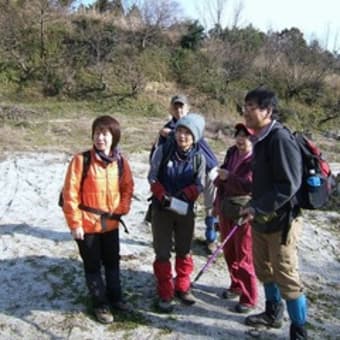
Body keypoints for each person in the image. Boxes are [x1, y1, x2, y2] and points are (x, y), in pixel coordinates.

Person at [240, 87, 308, 339]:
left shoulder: (279, 139)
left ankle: (299, 330)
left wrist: (257, 206)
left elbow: (289, 184)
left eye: (251, 107)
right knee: (264, 268)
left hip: (282, 222)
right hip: (261, 219)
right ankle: (272, 312)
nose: (246, 112)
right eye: (244, 107)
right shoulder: (260, 138)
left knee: (287, 276)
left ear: (267, 111)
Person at [62, 115, 134, 324]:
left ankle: (116, 297)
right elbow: (70, 194)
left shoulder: (120, 162)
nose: (100, 138)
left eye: (105, 133)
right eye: (97, 133)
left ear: (114, 137)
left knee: (112, 263)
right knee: (93, 266)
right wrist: (75, 224)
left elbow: (127, 187)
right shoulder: (81, 160)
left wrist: (122, 209)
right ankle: (100, 304)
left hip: (111, 224)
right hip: (87, 225)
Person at [148, 113, 206, 313]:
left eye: (188, 133)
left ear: (195, 137)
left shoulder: (199, 158)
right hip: (162, 209)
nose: (182, 136)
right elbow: (152, 176)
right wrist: (161, 193)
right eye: (180, 131)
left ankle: (182, 287)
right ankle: (165, 291)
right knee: (162, 251)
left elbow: (201, 183)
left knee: (184, 250)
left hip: (185, 210)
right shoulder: (163, 151)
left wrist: (188, 193)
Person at [150, 94, 219, 250]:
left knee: (210, 204)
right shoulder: (166, 129)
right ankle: (175, 236)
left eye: (182, 106)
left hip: (206, 170)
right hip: (178, 173)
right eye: (176, 106)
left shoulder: (195, 124)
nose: (179, 109)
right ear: (171, 108)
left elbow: (205, 152)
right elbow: (156, 157)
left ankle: (211, 237)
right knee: (175, 202)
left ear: (188, 108)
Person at [213, 123, 258, 314]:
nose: (241, 140)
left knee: (244, 254)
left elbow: (251, 186)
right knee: (229, 250)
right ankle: (236, 284)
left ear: (254, 140)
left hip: (244, 212)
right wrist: (216, 204)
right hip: (226, 207)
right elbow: (221, 176)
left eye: (246, 136)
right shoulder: (232, 152)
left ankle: (249, 297)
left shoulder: (257, 159)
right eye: (239, 135)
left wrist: (228, 177)